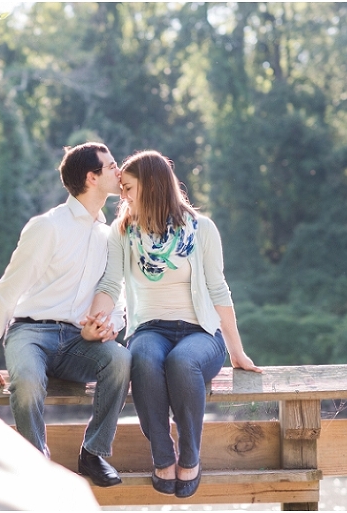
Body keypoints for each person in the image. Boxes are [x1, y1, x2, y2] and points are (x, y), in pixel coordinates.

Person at [89, 150, 261, 498]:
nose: (123, 196)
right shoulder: (123, 231)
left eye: (128, 188)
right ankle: (163, 455)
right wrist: (96, 319)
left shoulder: (201, 229)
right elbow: (110, 284)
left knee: (181, 362)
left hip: (200, 333)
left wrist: (236, 351)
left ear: (152, 185)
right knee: (144, 359)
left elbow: (218, 290)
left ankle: (190, 455)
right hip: (150, 329)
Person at [0, 142, 132, 487]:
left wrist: (109, 327)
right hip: (31, 333)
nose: (119, 171)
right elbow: (9, 289)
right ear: (91, 177)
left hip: (78, 341)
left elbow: (115, 294)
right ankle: (36, 463)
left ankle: (93, 453)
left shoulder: (109, 236)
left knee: (120, 360)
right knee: (27, 381)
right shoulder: (48, 226)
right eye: (112, 166)